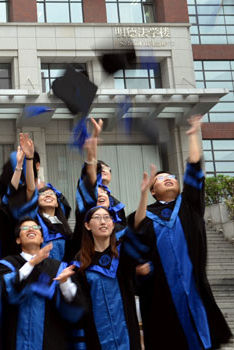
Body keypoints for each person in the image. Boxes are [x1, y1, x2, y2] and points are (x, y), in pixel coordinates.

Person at [131, 116, 232, 349]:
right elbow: (133, 243)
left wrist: (193, 133)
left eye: (171, 177)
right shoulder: (144, 216)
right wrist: (137, 266)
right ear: (153, 191)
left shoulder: (189, 205)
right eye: (161, 179)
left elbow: (195, 168)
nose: (167, 179)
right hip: (160, 294)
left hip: (194, 287)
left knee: (201, 337)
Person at [0, 217, 85, 349]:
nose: (31, 229)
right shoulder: (7, 266)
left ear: (42, 239)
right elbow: (4, 293)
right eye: (25, 228)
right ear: (18, 240)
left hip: (51, 339)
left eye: (36, 227)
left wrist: (64, 283)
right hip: (17, 339)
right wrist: (32, 263)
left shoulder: (59, 268)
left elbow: (74, 309)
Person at [72, 206, 145, 350]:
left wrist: (143, 195)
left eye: (107, 218)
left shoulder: (123, 254)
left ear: (113, 225)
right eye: (97, 218)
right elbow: (79, 304)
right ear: (87, 225)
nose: (103, 222)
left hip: (127, 332)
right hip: (96, 335)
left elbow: (138, 228)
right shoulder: (79, 263)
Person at [65, 118, 125, 262]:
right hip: (86, 261)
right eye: (100, 169)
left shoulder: (117, 206)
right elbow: (90, 175)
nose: (101, 194)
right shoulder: (87, 208)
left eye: (106, 169)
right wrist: (93, 146)